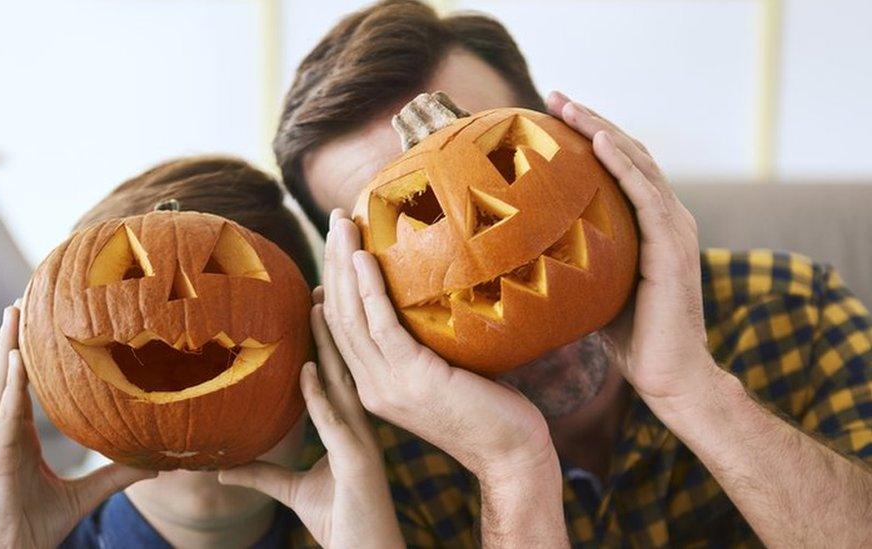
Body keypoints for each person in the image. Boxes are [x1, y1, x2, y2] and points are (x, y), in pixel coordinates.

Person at [275, 1, 872, 546]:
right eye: (415, 214)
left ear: (580, 144)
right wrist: (511, 468)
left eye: (500, 157)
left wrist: (696, 392)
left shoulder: (797, 309)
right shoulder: (365, 458)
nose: (481, 234)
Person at [0, 157, 404, 548]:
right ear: (44, 361)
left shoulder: (411, 511)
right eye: (129, 280)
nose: (198, 413)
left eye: (226, 275)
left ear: (323, 357)